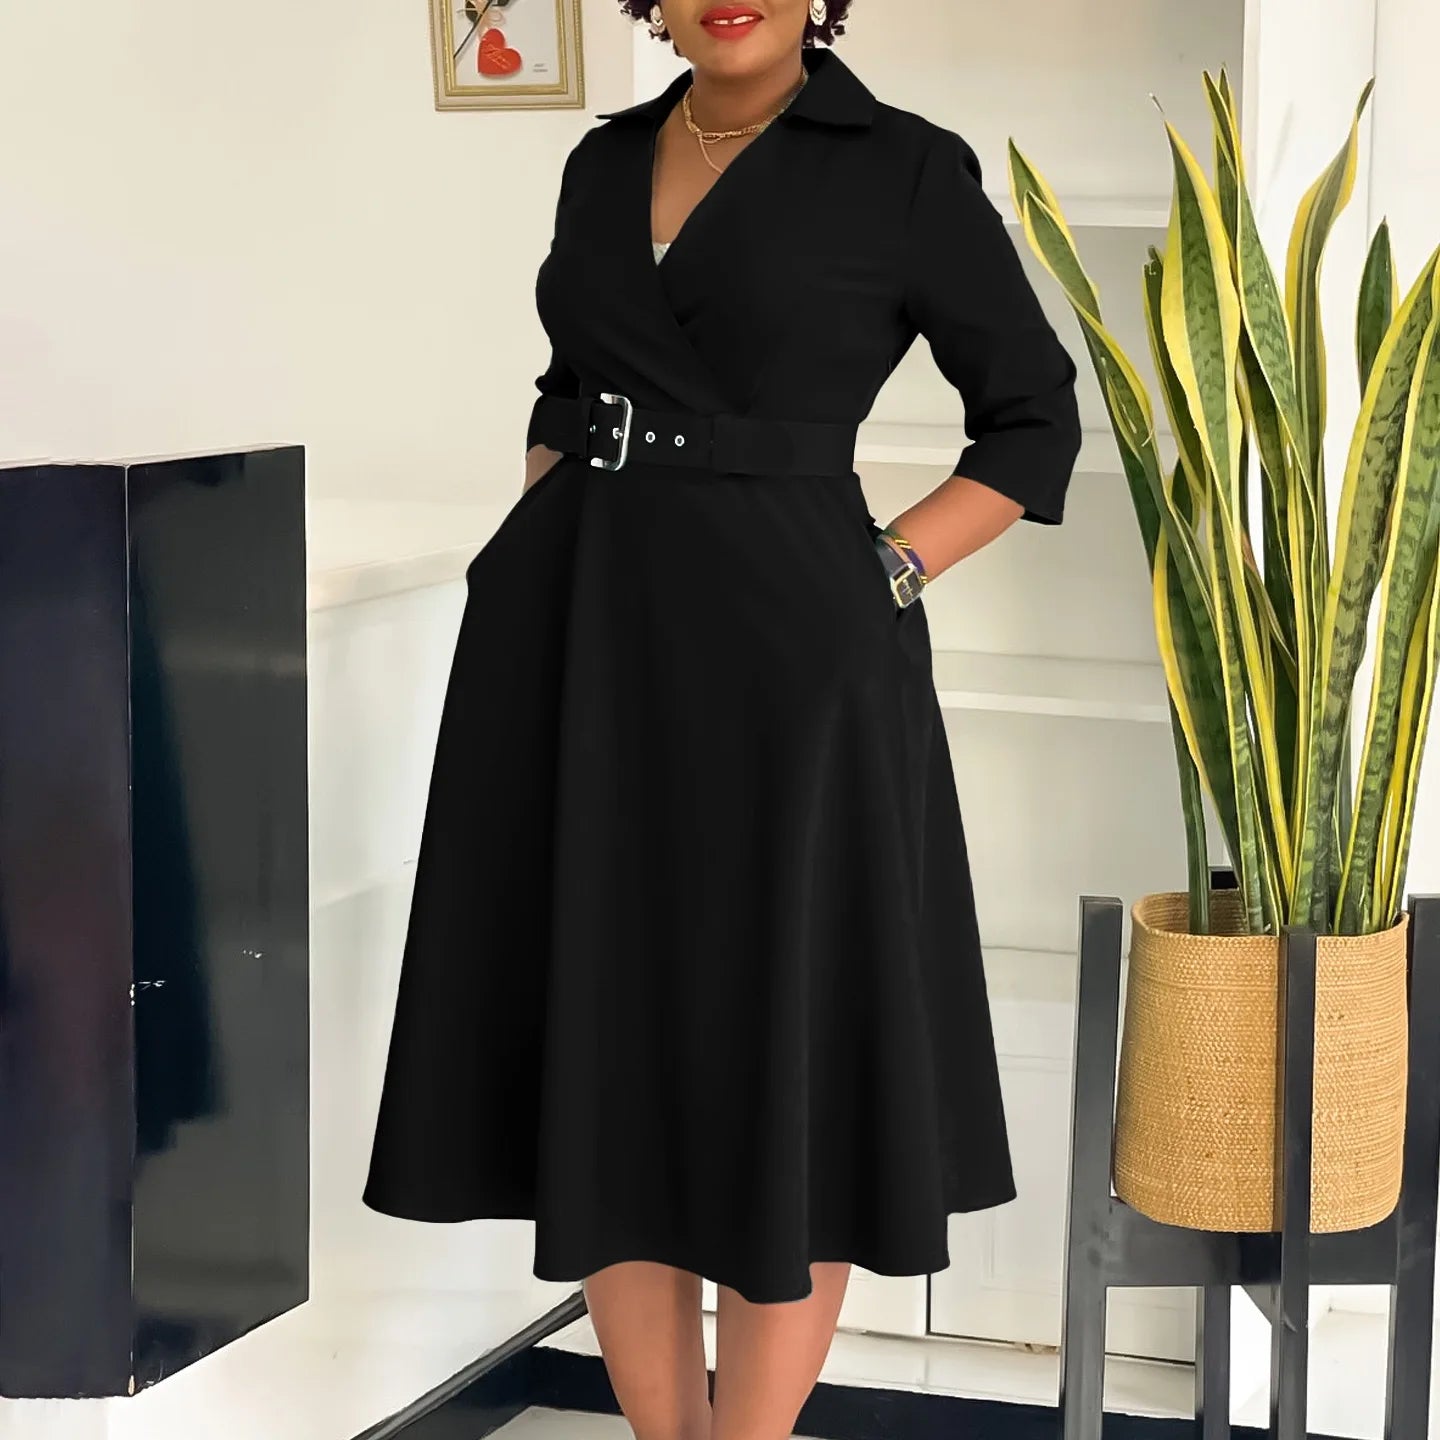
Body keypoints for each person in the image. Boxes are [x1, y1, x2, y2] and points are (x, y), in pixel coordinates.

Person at [363, 0, 1082, 1435]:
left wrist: (885, 571)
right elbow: (569, 389)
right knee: (609, 1055)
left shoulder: (906, 167)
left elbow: (1033, 419)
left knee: (785, 1061)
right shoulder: (603, 160)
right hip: (579, 651)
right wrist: (539, 551)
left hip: (793, 666)